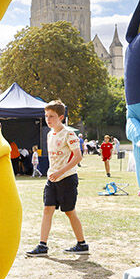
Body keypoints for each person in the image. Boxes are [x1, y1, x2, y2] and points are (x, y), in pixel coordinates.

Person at [26, 101, 88, 256]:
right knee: (47, 209)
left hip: (67, 178)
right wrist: (53, 173)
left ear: (61, 117)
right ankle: (42, 246)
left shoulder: (68, 133)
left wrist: (60, 172)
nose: (48, 119)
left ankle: (82, 244)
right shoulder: (49, 134)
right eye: (46, 116)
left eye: (52, 116)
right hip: (52, 179)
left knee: (69, 211)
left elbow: (78, 156)